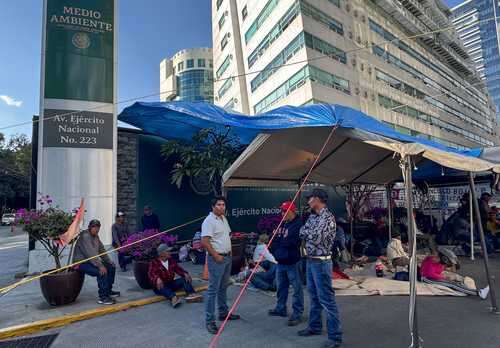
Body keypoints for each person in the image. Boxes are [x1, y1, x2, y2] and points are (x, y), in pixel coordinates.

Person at [298, 189, 343, 348]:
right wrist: (309, 232)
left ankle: (335, 337)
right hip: (311, 261)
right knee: (314, 296)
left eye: (310, 198)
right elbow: (301, 231)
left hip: (321, 263)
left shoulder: (328, 217)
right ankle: (315, 326)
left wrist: (308, 233)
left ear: (317, 199)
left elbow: (317, 238)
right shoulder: (312, 216)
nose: (308, 201)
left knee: (326, 299)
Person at [201, 196, 240, 334]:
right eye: (219, 204)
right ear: (213, 206)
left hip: (226, 258)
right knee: (212, 290)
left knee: (223, 287)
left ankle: (223, 313)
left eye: (223, 204)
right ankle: (209, 321)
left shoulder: (224, 219)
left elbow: (225, 236)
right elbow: (205, 241)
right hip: (217, 259)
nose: (222, 207)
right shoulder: (209, 221)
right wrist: (216, 255)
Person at [268, 201, 304, 327]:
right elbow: (274, 238)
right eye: (281, 211)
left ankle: (297, 313)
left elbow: (291, 242)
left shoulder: (298, 224)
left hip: (292, 262)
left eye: (285, 211)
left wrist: (280, 243)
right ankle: (280, 308)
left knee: (297, 289)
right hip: (280, 261)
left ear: (292, 211)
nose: (282, 213)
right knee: (281, 287)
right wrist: (277, 246)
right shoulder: (283, 224)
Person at [74, 220, 120, 305]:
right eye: (94, 227)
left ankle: (108, 291)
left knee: (111, 267)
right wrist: (100, 266)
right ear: (90, 227)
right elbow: (90, 253)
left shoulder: (96, 236)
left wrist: (109, 261)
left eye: (98, 227)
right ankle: (103, 297)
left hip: (91, 261)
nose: (96, 229)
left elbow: (101, 250)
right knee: (101, 271)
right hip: (81, 263)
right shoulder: (85, 236)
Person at [421, 247, 490, 298]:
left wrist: (452, 265)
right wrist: (444, 277)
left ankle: (467, 289)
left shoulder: (440, 262)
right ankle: (479, 293)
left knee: (455, 283)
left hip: (434, 277)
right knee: (452, 285)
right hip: (427, 278)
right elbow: (430, 274)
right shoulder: (431, 260)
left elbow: (451, 269)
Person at [148, 243, 202, 308]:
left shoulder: (171, 261)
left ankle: (191, 294)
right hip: (160, 286)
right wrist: (157, 279)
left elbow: (178, 269)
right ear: (162, 254)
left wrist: (185, 273)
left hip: (170, 283)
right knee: (161, 287)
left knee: (184, 279)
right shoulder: (154, 262)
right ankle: (173, 298)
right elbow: (151, 274)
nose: (170, 253)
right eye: (168, 251)